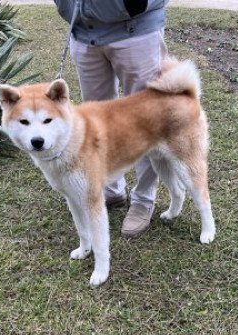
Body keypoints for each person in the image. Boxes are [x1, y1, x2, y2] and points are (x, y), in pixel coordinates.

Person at [54, 0, 169, 238]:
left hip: (136, 32)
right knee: (97, 123)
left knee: (145, 122)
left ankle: (143, 198)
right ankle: (110, 188)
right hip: (85, 33)